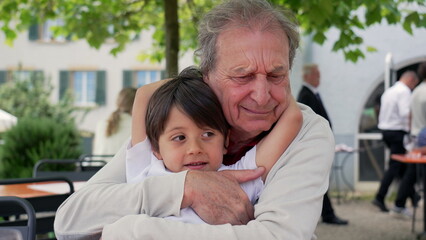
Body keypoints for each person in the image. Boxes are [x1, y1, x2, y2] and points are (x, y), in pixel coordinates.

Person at [54, 1, 335, 239]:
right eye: (243, 76)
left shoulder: (308, 134)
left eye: (276, 75)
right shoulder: (175, 124)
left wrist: (132, 230)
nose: (262, 96)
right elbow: (70, 220)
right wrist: (185, 188)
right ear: (207, 77)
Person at [126, 67, 301, 224]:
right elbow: (143, 94)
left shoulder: (236, 181)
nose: (195, 148)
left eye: (208, 134)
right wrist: (204, 82)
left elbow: (293, 118)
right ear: (156, 149)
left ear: (226, 141)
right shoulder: (146, 170)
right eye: (179, 137)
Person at [297, 64, 349, 225]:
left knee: (317, 182)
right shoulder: (306, 95)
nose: (319, 78)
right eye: (316, 75)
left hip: (318, 145)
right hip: (313, 146)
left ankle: (325, 214)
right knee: (317, 182)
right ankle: (327, 214)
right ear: (307, 77)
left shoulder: (312, 94)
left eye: (319, 75)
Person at [372, 71, 419, 212]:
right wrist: (413, 129)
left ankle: (413, 197)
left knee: (402, 167)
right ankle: (380, 196)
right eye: (414, 85)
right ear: (411, 80)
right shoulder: (404, 92)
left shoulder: (389, 91)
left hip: (386, 130)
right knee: (395, 166)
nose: (412, 88)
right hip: (397, 132)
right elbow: (405, 113)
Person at [390, 63, 426, 218]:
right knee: (413, 174)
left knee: (411, 173)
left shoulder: (416, 91)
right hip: (424, 137)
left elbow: (410, 116)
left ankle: (399, 204)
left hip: (417, 135)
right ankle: (400, 204)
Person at [93, 87, 137, 156]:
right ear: (136, 105)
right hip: (121, 167)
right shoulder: (137, 127)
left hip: (98, 166)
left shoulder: (102, 123)